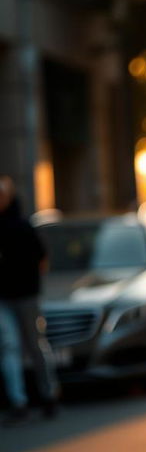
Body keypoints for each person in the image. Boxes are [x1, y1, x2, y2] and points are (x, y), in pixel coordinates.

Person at [0, 176, 58, 424]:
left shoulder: (24, 227)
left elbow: (42, 260)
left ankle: (48, 395)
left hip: (26, 296)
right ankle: (18, 401)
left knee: (35, 345)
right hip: (3, 299)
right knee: (8, 346)